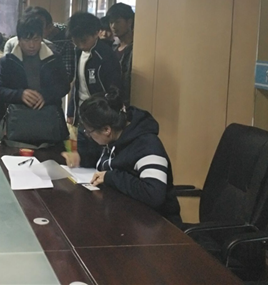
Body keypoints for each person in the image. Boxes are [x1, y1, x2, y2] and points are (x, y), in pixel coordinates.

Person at [61, 88, 181, 225]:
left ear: (106, 130)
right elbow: (105, 161)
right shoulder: (114, 137)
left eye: (89, 131)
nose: (88, 135)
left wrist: (111, 177)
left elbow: (153, 194)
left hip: (156, 224)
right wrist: (81, 158)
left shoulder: (147, 146)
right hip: (122, 213)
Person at [67, 11, 123, 163]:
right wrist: (71, 110)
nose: (79, 44)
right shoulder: (78, 52)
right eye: (75, 40)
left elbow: (114, 91)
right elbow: (77, 84)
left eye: (83, 40)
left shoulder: (106, 56)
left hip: (99, 120)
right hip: (81, 116)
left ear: (96, 33)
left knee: (99, 160)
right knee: (79, 159)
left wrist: (104, 116)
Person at [0, 14, 69, 117]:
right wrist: (20, 95)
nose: (32, 45)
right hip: (18, 117)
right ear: (19, 40)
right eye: (27, 40)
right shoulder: (9, 61)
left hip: (49, 116)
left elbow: (64, 86)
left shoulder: (53, 58)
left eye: (36, 39)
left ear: (42, 38)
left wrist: (46, 96)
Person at [4, 6, 75, 81]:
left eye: (38, 25)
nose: (31, 45)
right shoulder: (12, 43)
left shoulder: (59, 46)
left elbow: (66, 77)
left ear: (50, 27)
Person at [106, 3, 134, 107]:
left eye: (117, 22)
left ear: (129, 22)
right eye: (111, 22)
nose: (113, 26)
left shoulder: (136, 49)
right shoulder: (112, 49)